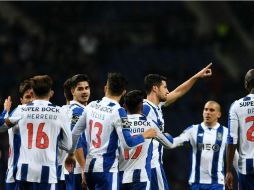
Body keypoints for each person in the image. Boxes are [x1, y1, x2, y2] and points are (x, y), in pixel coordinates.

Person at [67, 72, 157, 190]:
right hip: (106, 170)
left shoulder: (91, 105)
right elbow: (128, 143)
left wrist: (70, 154)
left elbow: (74, 133)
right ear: (124, 92)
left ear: (106, 88)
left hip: (89, 168)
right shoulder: (119, 112)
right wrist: (145, 135)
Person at [143, 63, 212, 190]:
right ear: (155, 88)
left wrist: (197, 76)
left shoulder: (156, 106)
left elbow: (179, 92)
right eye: (165, 87)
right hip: (152, 166)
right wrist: (163, 136)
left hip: (149, 166)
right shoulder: (145, 109)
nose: (168, 91)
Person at [2, 75, 72, 189]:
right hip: (48, 172)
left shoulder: (21, 109)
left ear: (33, 93)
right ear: (51, 93)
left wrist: (5, 111)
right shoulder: (60, 112)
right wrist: (53, 140)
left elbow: (2, 127)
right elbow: (68, 145)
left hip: (24, 171)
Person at [161, 101, 238, 190]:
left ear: (219, 114)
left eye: (212, 110)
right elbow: (172, 144)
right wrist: (161, 136)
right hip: (196, 183)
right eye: (206, 109)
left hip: (217, 183)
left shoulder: (225, 132)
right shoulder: (193, 130)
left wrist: (241, 177)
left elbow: (235, 157)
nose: (208, 112)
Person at [119, 90, 173, 190]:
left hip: (120, 177)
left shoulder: (119, 124)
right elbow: (169, 144)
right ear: (142, 106)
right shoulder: (149, 124)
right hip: (141, 177)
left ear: (125, 106)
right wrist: (168, 136)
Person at [226, 69, 254, 190]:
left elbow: (232, 140)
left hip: (246, 166)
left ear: (246, 85)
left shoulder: (236, 106)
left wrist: (228, 170)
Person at [5, 79, 34, 190]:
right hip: (16, 174)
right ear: (21, 100)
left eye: (33, 96)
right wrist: (5, 111)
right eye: (27, 97)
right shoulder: (19, 111)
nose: (31, 100)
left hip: (35, 173)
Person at [65, 74, 91, 190]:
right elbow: (75, 138)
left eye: (87, 88)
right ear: (72, 91)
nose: (84, 92)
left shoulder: (68, 109)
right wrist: (84, 168)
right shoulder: (77, 111)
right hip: (78, 170)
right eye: (80, 89)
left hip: (71, 169)